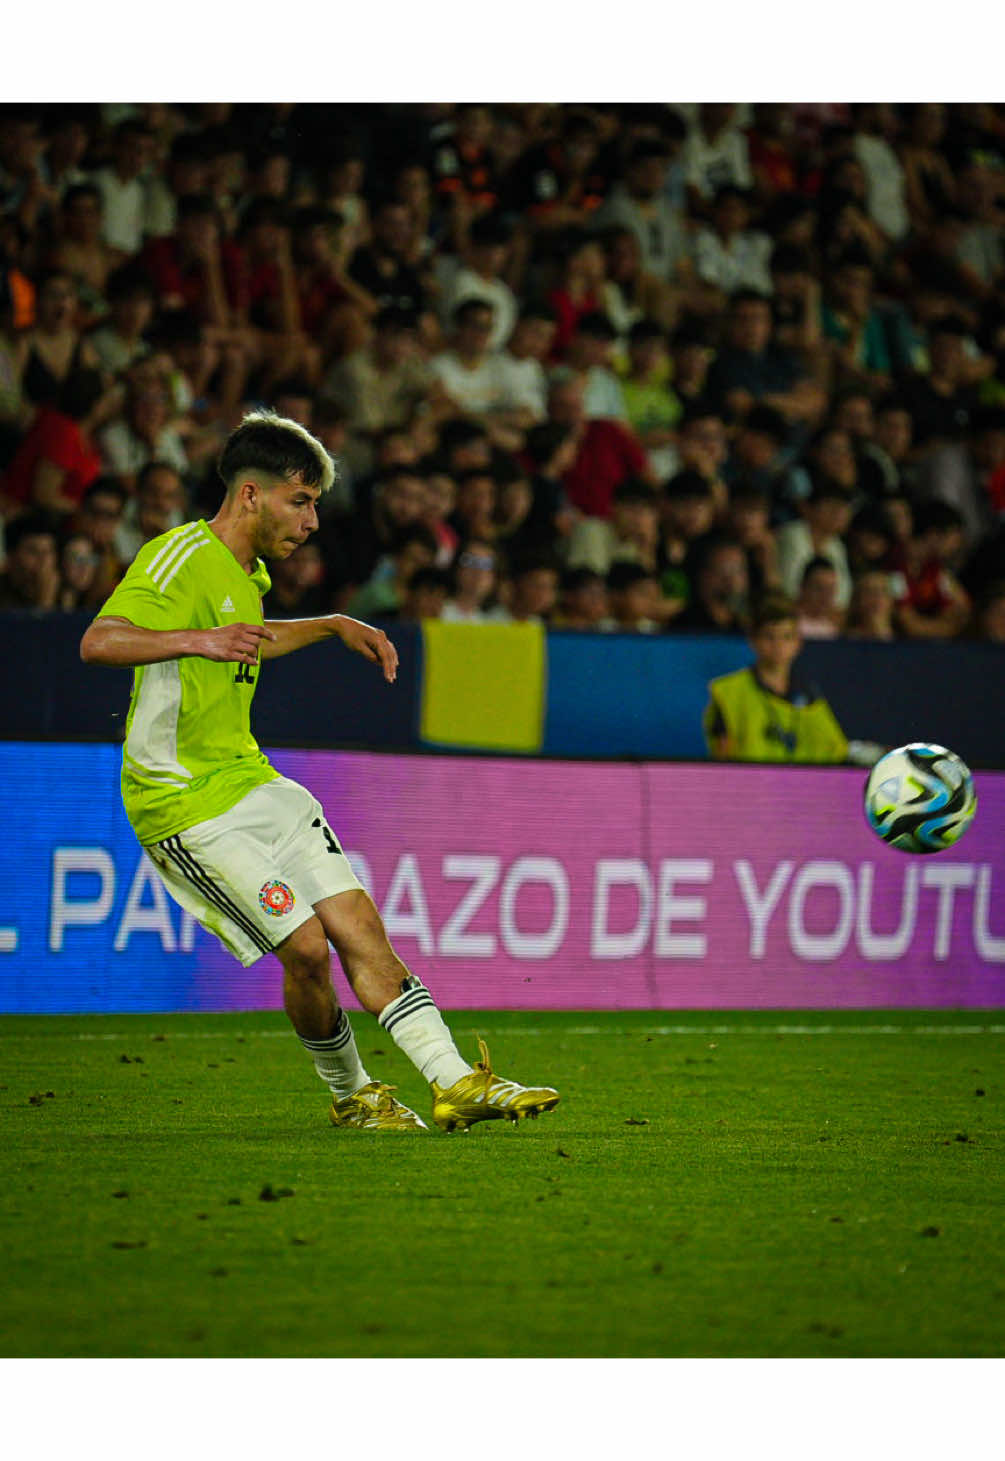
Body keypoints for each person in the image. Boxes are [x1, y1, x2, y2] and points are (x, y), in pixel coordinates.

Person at [79, 409, 559, 1133]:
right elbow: (99, 640)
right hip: (183, 803)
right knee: (305, 949)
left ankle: (454, 1078)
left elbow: (250, 639)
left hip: (256, 784)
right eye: (300, 500)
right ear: (250, 495)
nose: (310, 520)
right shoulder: (177, 555)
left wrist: (333, 623)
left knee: (360, 929)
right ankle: (352, 1093)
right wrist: (197, 638)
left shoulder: (247, 572)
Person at [703, 592, 850, 762]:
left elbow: (836, 750)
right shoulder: (728, 691)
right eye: (769, 636)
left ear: (798, 643)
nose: (778, 645)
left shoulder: (809, 695)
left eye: (786, 637)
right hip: (748, 785)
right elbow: (721, 762)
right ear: (753, 640)